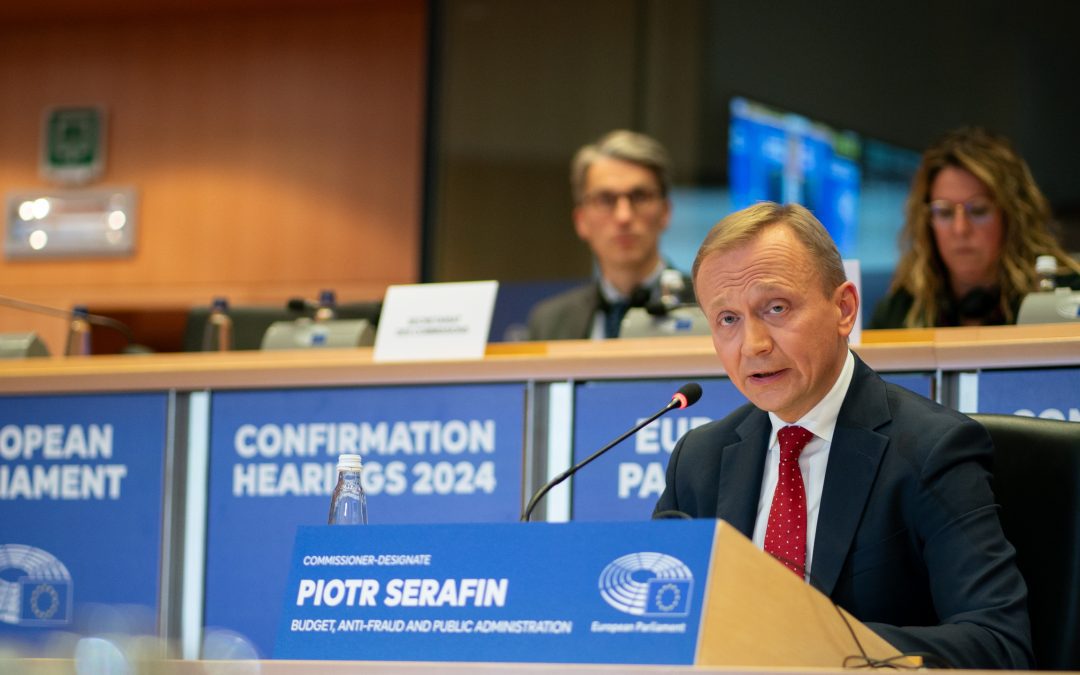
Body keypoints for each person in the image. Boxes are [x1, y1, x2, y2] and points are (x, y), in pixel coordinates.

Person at [655, 202, 1032, 669]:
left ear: (844, 309)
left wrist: (818, 645)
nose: (753, 345)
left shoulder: (931, 449)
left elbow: (998, 643)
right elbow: (656, 627)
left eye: (776, 308)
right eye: (728, 319)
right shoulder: (698, 460)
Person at [871, 126, 1080, 328]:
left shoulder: (1068, 299)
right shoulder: (899, 312)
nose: (960, 229)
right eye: (945, 212)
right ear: (927, 221)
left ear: (1012, 217)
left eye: (978, 211)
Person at [526, 130, 694, 340]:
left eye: (639, 196)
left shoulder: (707, 307)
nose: (624, 216)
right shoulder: (549, 322)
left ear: (665, 212)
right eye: (605, 199)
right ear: (581, 220)